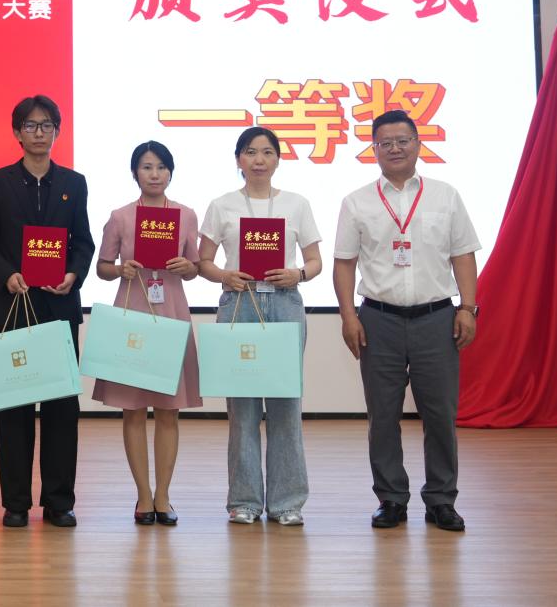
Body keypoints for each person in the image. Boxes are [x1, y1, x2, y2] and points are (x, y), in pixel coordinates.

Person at [333, 110, 479, 532]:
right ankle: (391, 499)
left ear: (418, 144)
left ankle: (441, 500)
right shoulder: (357, 202)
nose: (395, 148)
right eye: (385, 143)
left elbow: (463, 254)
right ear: (374, 149)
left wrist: (468, 308)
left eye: (403, 140)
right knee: (383, 416)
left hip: (437, 318)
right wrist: (348, 316)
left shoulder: (445, 196)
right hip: (378, 320)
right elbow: (344, 264)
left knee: (440, 415)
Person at [0, 94, 94, 528]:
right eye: (30, 125)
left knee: (61, 408)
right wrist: (6, 275)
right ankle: (16, 503)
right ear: (16, 132)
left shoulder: (74, 183)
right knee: (14, 408)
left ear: (57, 132)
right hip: (14, 306)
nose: (39, 133)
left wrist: (73, 275)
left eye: (46, 126)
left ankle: (59, 501)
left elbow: (83, 242)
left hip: (59, 307)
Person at [197, 126, 322, 527]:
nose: (259, 160)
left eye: (267, 152)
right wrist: (224, 275)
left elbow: (315, 261)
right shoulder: (222, 205)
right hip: (240, 302)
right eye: (250, 152)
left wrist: (299, 274)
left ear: (278, 159)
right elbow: (203, 262)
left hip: (284, 302)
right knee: (242, 408)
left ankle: (287, 502)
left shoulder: (297, 203)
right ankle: (245, 501)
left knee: (286, 405)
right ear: (238, 159)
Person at [94, 140, 201, 526]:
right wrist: (119, 270)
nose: (154, 174)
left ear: (170, 172)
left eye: (161, 167)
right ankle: (143, 496)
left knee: (169, 410)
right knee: (133, 409)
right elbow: (102, 267)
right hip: (133, 313)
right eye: (146, 167)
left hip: (171, 311)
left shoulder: (185, 215)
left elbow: (196, 267)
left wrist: (187, 267)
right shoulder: (121, 217)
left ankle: (164, 496)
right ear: (135, 173)